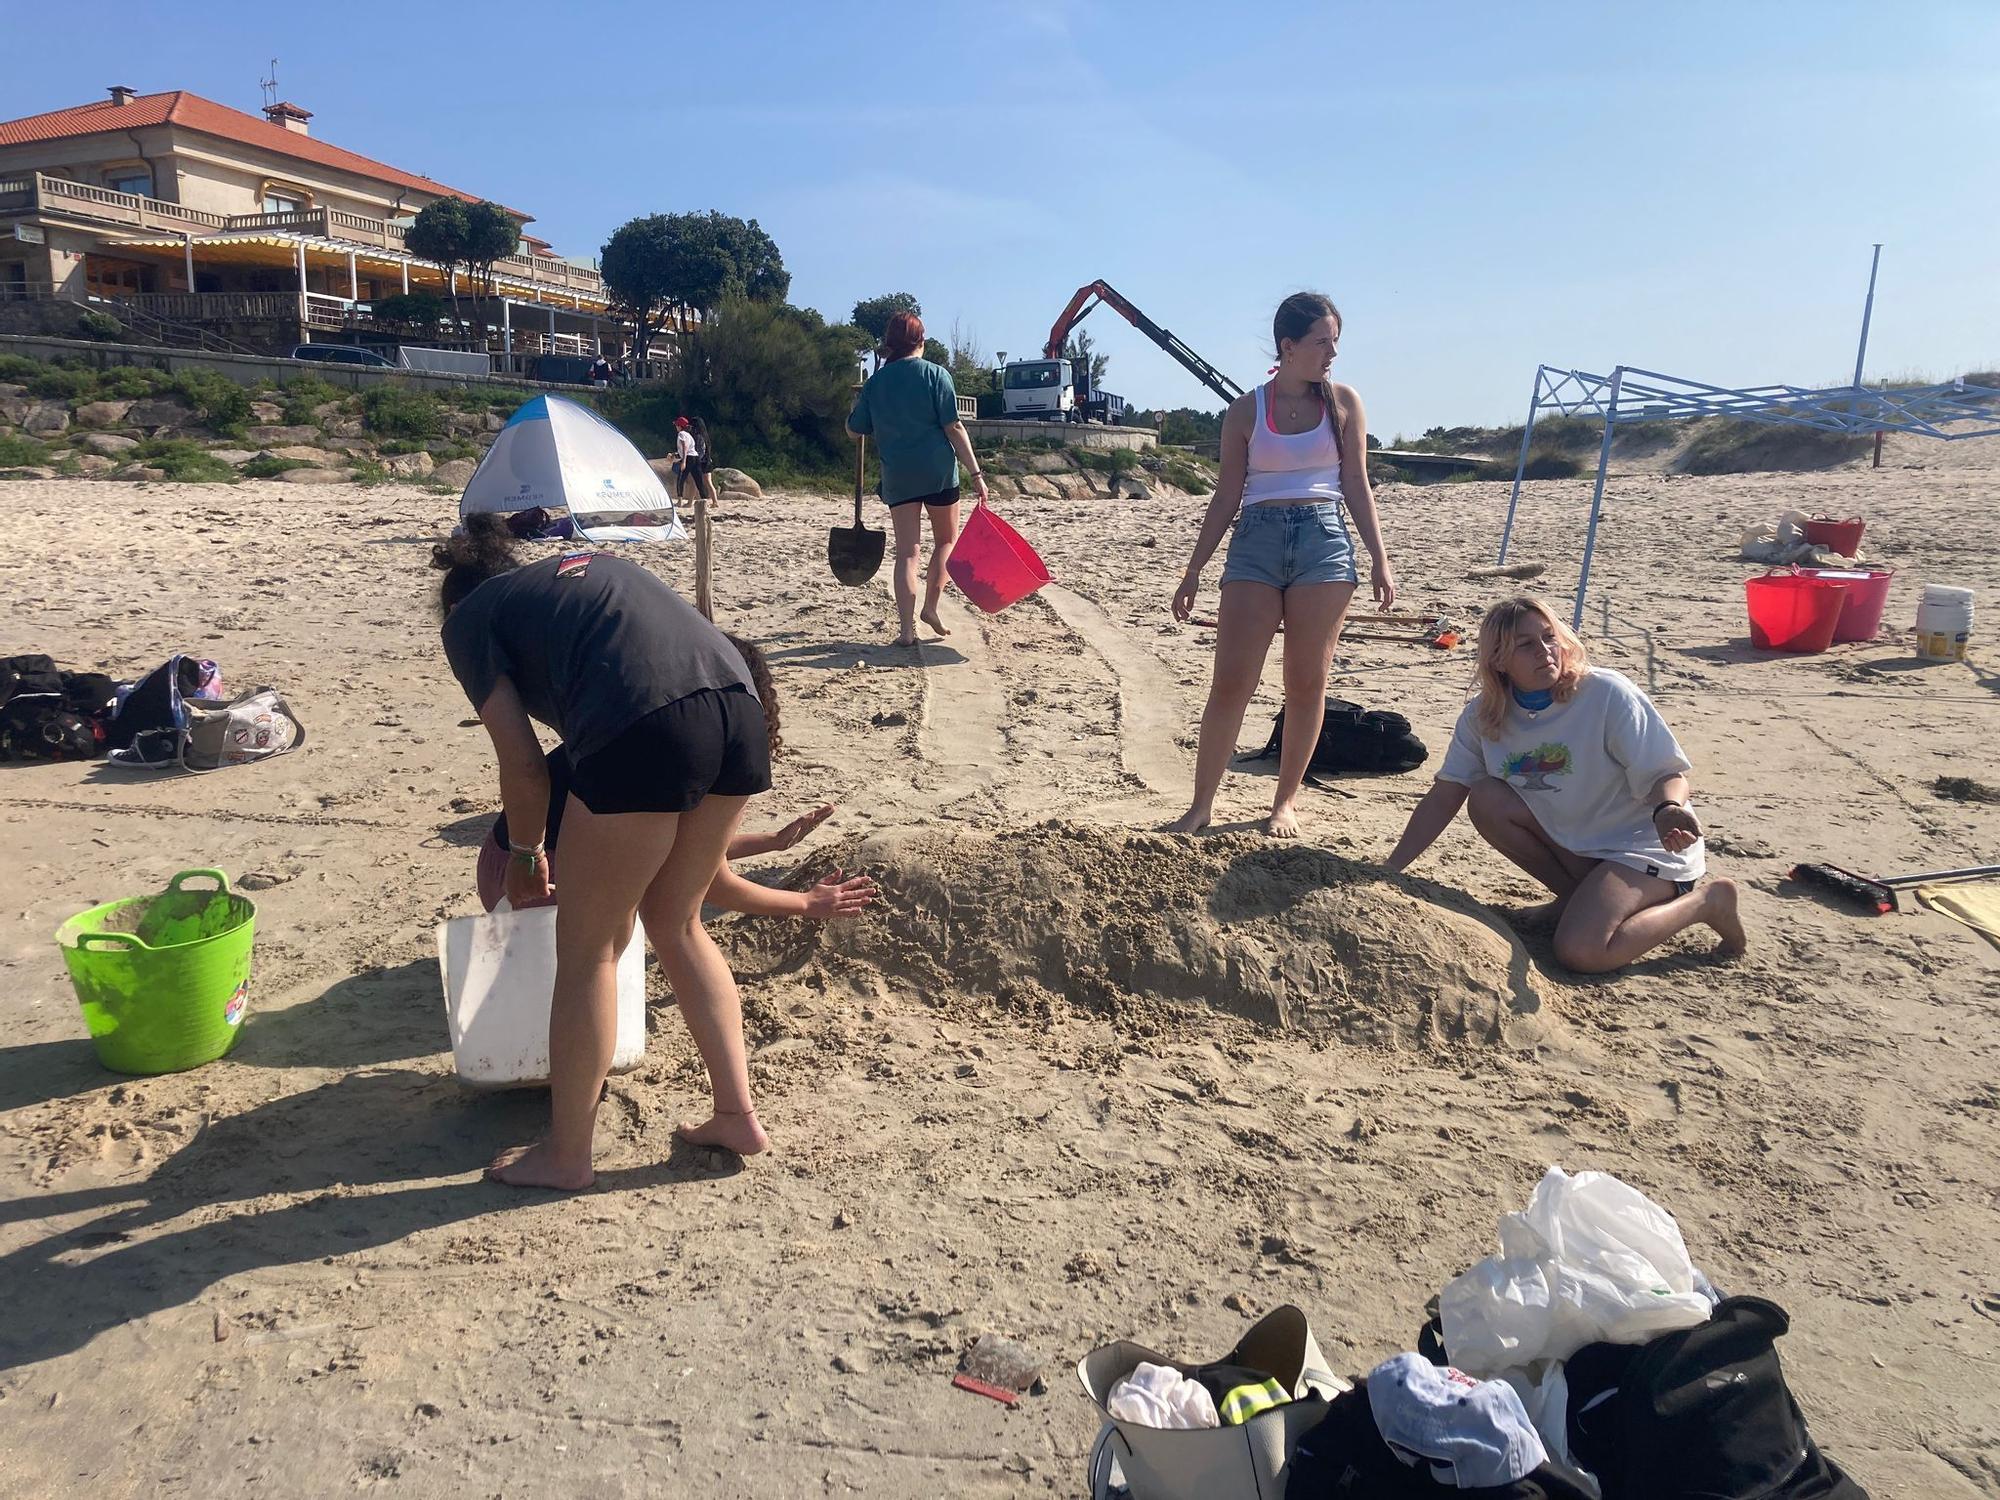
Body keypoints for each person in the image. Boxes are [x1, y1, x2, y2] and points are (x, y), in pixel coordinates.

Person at [435, 516, 776, 1189]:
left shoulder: (468, 622)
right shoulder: (573, 580)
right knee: (678, 923)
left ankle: (566, 1156)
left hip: (646, 722)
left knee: (587, 948)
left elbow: (525, 769)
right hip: (742, 712)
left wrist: (529, 851)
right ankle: (736, 1113)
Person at [1383, 595, 1747, 972]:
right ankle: (1579, 900)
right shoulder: (1483, 716)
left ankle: (1708, 902)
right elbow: (1447, 793)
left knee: (1581, 952)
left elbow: (1666, 773)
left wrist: (1668, 808)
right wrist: (1390, 869)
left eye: (1548, 637)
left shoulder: (1605, 693)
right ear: (1497, 660)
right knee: (1487, 798)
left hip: (1644, 844)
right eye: (1525, 645)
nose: (1545, 651)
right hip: (1579, 841)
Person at [1169, 292, 1396, 838]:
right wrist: (1195, 569)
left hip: (1324, 541)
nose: (1331, 353)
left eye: (1335, 342)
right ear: (1288, 347)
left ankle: (1284, 803)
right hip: (1257, 540)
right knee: (1232, 681)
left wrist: (1380, 559)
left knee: (1306, 680)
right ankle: (1201, 805)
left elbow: (1356, 485)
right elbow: (1225, 495)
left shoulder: (1344, 403)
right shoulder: (1247, 411)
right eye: (1322, 342)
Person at [474, 748, 874, 922]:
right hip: (541, 889)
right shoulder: (689, 758)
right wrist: (805, 903)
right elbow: (711, 884)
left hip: (502, 863)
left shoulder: (638, 727)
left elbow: (682, 851)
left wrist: (772, 841)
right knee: (666, 913)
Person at [847, 311, 989, 647]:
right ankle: (931, 608)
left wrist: (854, 409)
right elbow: (953, 427)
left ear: (889, 345)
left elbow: (855, 430)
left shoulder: (875, 383)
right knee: (945, 542)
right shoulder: (936, 375)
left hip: (899, 475)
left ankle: (906, 631)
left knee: (907, 554)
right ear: (921, 341)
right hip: (938, 473)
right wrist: (976, 474)